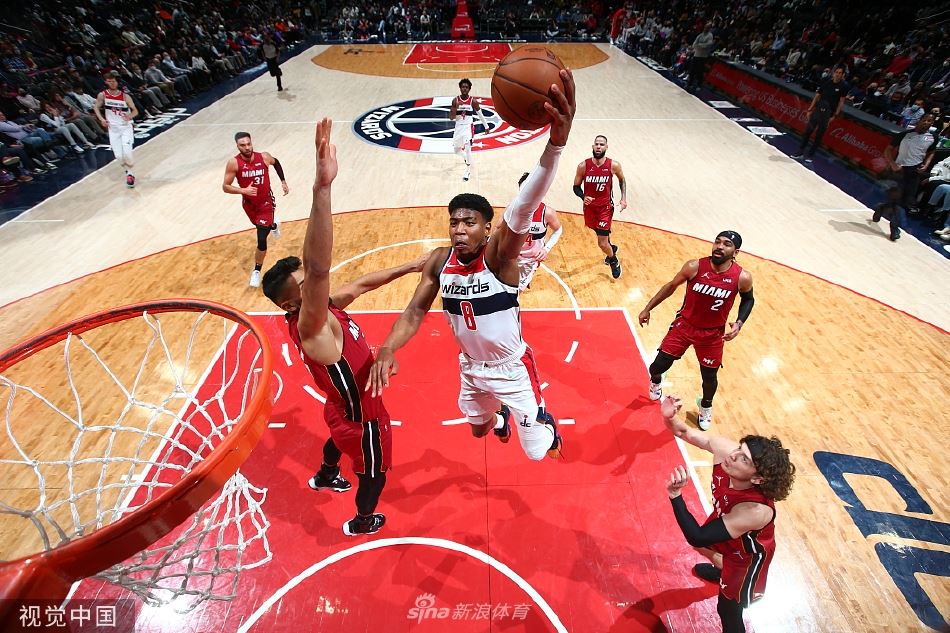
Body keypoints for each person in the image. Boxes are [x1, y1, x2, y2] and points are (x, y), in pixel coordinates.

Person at [369, 68, 577, 461]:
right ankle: (499, 418)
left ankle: (545, 423)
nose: (459, 229)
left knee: (538, 453)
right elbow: (413, 312)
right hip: (471, 367)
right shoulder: (440, 261)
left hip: (511, 368)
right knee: (480, 429)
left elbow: (524, 204)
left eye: (469, 223)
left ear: (487, 230)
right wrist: (387, 348)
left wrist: (555, 146)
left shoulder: (498, 258)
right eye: (454, 222)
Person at [262, 119, 425, 536]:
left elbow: (361, 284)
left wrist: (411, 266)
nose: (316, 285)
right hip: (362, 421)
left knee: (336, 434)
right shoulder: (312, 326)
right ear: (291, 304)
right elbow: (318, 268)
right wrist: (322, 188)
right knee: (375, 474)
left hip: (340, 410)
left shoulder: (324, 307)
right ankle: (363, 520)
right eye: (305, 286)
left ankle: (325, 474)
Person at [660, 394, 795, 633]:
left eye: (744, 459)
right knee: (706, 548)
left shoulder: (755, 510)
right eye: (740, 449)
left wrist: (675, 495)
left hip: (746, 557)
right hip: (729, 522)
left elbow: (697, 536)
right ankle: (721, 569)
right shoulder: (726, 452)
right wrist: (670, 417)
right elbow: (683, 431)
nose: (734, 455)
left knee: (728, 610)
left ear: (757, 478)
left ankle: (727, 574)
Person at [638, 231, 754, 430]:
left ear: (736, 252)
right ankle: (657, 381)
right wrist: (648, 308)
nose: (720, 246)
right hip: (684, 326)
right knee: (655, 368)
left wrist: (739, 323)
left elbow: (748, 299)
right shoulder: (695, 267)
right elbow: (671, 286)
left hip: (712, 335)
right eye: (717, 242)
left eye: (727, 244)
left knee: (709, 379)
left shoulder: (742, 277)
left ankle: (705, 405)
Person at [222, 132, 289, 287]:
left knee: (261, 238)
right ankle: (273, 225)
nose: (247, 147)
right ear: (237, 146)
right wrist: (243, 190)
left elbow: (276, 163)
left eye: (249, 144)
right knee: (262, 226)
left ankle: (257, 271)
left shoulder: (264, 157)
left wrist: (283, 181)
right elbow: (225, 186)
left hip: (266, 203)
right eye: (243, 145)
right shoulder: (234, 163)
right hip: (249, 204)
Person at [572, 135, 626, 279]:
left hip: (605, 208)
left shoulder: (613, 165)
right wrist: (583, 196)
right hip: (589, 208)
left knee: (602, 243)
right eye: (596, 144)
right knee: (599, 233)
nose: (598, 146)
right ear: (593, 146)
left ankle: (613, 259)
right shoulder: (583, 166)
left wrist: (623, 198)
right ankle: (611, 247)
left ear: (606, 147)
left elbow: (622, 180)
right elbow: (576, 187)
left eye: (602, 144)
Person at [882, 112, 936, 240]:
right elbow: (888, 150)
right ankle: (894, 227)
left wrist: (926, 164)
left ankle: (881, 210)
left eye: (930, 121)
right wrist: (892, 164)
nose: (926, 122)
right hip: (900, 170)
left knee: (906, 202)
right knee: (897, 200)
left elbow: (931, 152)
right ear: (920, 120)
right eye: (925, 119)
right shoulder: (904, 134)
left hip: (915, 172)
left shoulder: (933, 138)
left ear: (932, 123)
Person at [516, 172, 563, 290]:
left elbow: (558, 230)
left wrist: (546, 249)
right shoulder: (513, 210)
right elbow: (498, 229)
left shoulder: (547, 213)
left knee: (517, 291)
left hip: (530, 259)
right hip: (512, 255)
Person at [792, 67, 848, 163]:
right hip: (818, 109)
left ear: (843, 75)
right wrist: (810, 109)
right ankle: (800, 151)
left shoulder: (844, 86)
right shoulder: (826, 81)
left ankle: (810, 155)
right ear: (833, 73)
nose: (838, 74)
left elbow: (841, 102)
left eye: (840, 73)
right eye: (836, 72)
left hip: (828, 113)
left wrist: (835, 115)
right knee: (808, 131)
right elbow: (817, 95)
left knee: (819, 135)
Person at [94, 72, 139, 188]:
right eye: (109, 81)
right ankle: (129, 173)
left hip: (125, 127)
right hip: (113, 129)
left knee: (127, 153)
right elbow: (96, 107)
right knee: (118, 156)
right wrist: (101, 119)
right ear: (106, 82)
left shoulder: (125, 96)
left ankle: (130, 173)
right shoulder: (103, 95)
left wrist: (130, 116)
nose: (112, 83)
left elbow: (135, 111)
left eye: (113, 81)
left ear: (117, 82)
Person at [449, 78, 489, 182]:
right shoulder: (455, 100)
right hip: (458, 128)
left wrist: (486, 126)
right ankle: (466, 158)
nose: (464, 89)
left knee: (468, 148)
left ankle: (467, 170)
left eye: (466, 87)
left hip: (468, 128)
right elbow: (451, 118)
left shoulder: (473, 101)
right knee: (456, 151)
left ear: (469, 89)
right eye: (463, 87)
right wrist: (455, 108)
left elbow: (480, 114)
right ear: (460, 88)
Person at [687, 23, 716, 91]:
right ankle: (689, 84)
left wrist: (699, 45)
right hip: (696, 55)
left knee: (700, 71)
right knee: (692, 70)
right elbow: (694, 44)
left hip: (703, 56)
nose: (705, 28)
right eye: (705, 27)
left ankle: (699, 85)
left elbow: (708, 45)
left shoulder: (710, 36)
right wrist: (700, 46)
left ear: (709, 28)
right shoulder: (700, 35)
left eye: (707, 27)